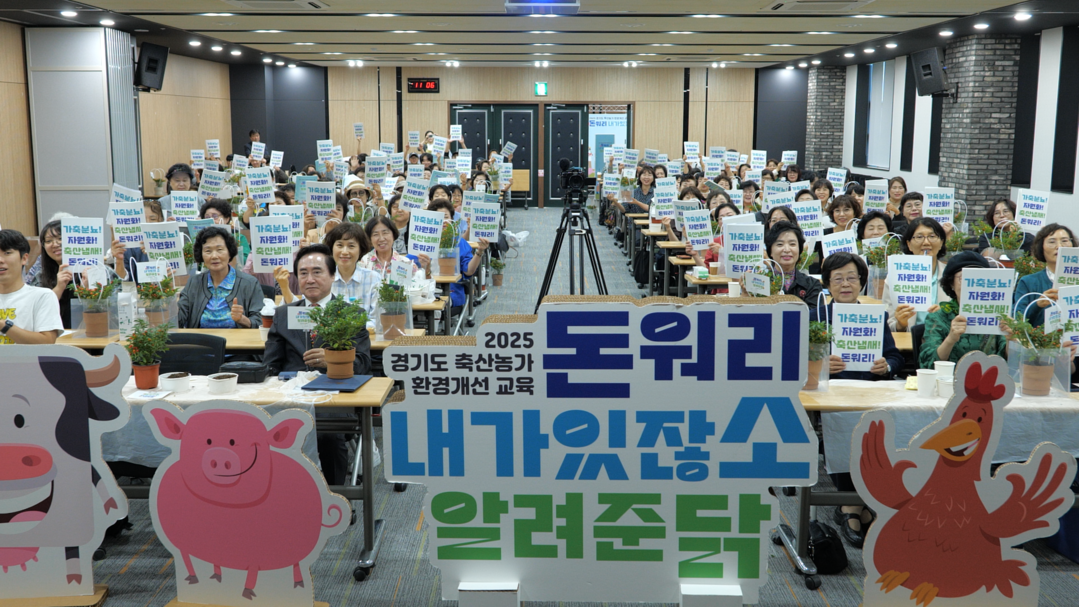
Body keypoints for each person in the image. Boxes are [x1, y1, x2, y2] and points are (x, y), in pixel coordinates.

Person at [809, 251, 904, 548]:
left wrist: (885, 366)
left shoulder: (874, 316)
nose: (846, 284)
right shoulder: (816, 317)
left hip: (869, 392)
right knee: (846, 427)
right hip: (830, 395)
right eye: (838, 279)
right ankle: (853, 505)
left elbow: (895, 357)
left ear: (862, 282)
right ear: (827, 284)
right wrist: (823, 363)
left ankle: (853, 505)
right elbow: (797, 360)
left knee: (877, 433)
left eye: (852, 277)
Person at [264, 244, 371, 486]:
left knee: (327, 436)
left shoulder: (351, 314)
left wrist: (333, 360)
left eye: (317, 272)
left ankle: (333, 498)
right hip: (289, 395)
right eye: (303, 273)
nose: (309, 279)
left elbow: (363, 364)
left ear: (333, 276)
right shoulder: (283, 315)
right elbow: (270, 365)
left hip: (334, 396)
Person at [920, 252, 1007, 368]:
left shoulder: (997, 316)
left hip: (990, 380)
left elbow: (1010, 364)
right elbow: (927, 365)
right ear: (951, 283)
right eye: (964, 278)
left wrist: (1011, 339)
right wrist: (950, 339)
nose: (972, 285)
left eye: (979, 279)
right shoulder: (938, 317)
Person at [176, 227, 263, 329]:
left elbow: (260, 321)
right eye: (208, 251)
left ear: (229, 252)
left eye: (219, 250)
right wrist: (169, 298)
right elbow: (178, 320)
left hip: (237, 343)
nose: (214, 256)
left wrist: (242, 320)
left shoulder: (249, 283)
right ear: (201, 254)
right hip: (200, 343)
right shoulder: (194, 282)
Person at [883, 216, 949, 332]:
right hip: (909, 343)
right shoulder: (895, 277)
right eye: (919, 237)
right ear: (909, 244)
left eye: (932, 236)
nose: (926, 242)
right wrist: (900, 324)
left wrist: (947, 316)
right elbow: (889, 324)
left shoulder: (952, 276)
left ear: (941, 242)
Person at [0, 229, 63, 345]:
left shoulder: (42, 296)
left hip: (24, 363)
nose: (0, 260)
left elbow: (47, 341)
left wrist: (4, 326)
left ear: (24, 258)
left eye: (7, 253)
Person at [427, 199, 487, 314]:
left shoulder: (459, 242)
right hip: (423, 292)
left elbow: (468, 271)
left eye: (445, 217)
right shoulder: (423, 241)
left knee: (436, 306)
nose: (443, 221)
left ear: (452, 219)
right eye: (438, 217)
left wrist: (479, 251)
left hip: (450, 292)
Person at [1014, 223, 1077, 327]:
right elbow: (1018, 319)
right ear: (1041, 248)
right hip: (1042, 342)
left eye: (1065, 241)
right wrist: (1037, 305)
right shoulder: (1028, 282)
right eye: (1052, 242)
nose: (1059, 246)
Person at [763, 221, 822, 306]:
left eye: (792, 244)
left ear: (800, 250)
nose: (787, 249)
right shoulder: (761, 283)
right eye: (780, 244)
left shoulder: (812, 285)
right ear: (770, 251)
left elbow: (814, 316)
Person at [362, 216, 428, 279]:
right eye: (375, 234)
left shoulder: (406, 263)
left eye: (385, 233)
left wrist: (427, 268)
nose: (381, 239)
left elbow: (421, 287)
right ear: (370, 239)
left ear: (393, 235)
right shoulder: (363, 264)